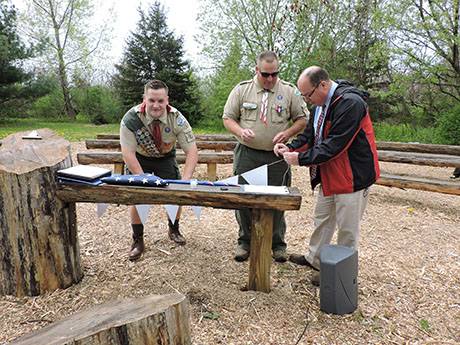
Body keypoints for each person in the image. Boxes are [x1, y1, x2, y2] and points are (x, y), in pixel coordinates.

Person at [274, 66, 380, 285]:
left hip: (353, 177)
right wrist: (290, 148)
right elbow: (310, 136)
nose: (307, 100)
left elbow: (335, 145)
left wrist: (300, 159)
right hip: (329, 174)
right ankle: (316, 258)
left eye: (308, 95)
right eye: (303, 96)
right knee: (322, 219)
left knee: (347, 229)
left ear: (323, 84)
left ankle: (339, 273)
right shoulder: (319, 106)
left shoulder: (351, 104)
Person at [222, 51, 309, 263]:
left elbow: (302, 118)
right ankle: (245, 241)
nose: (270, 79)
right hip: (247, 155)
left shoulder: (289, 91)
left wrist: (288, 133)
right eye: (265, 74)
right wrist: (240, 132)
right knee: (242, 197)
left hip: (276, 156)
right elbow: (228, 118)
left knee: (278, 199)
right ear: (256, 70)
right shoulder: (242, 90)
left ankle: (277, 244)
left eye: (274, 74)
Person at [120, 79, 198, 261]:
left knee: (176, 193)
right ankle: (137, 240)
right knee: (139, 198)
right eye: (152, 100)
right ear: (144, 99)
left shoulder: (177, 118)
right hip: (139, 158)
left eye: (160, 101)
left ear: (167, 100)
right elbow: (128, 153)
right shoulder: (130, 119)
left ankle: (174, 228)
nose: (156, 105)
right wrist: (142, 179)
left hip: (165, 158)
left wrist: (185, 180)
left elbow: (192, 151)